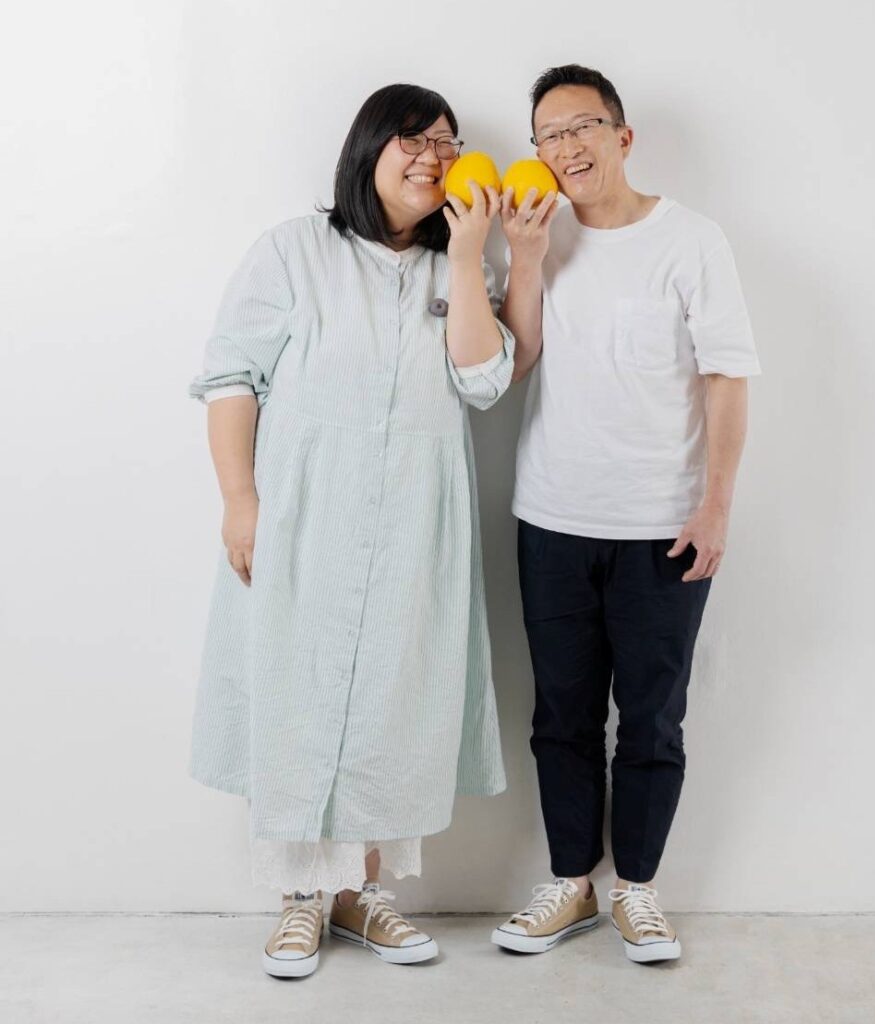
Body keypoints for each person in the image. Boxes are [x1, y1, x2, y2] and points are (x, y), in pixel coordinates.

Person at [187, 83, 513, 975]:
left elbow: (484, 382)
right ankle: (301, 901)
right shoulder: (293, 251)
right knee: (296, 695)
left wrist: (471, 255)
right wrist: (240, 500)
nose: (432, 158)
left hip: (417, 520)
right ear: (368, 148)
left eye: (447, 144)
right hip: (306, 512)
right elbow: (231, 377)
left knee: (392, 704)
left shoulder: (460, 267)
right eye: (412, 139)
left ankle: (360, 896)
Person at [492, 65, 760, 962]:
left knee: (650, 718)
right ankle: (570, 883)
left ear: (621, 136)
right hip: (551, 519)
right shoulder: (539, 231)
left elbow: (726, 376)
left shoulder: (691, 240)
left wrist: (714, 505)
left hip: (662, 526)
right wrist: (523, 259)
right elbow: (516, 362)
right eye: (549, 135)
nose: (566, 147)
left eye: (582, 126)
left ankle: (636, 890)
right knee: (560, 715)